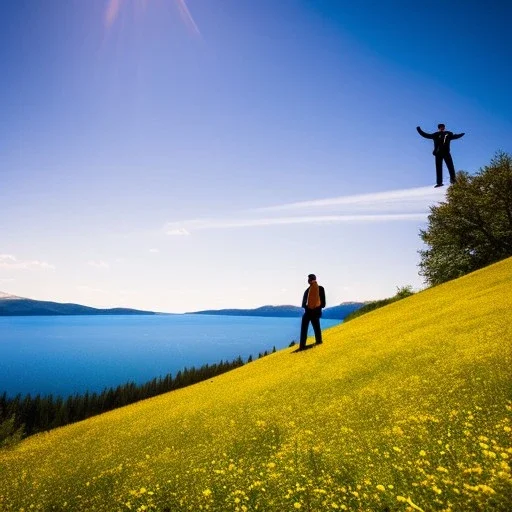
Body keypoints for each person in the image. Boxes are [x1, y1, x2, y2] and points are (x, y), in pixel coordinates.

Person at [298, 274, 326, 351]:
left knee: (305, 329)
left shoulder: (308, 291)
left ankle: (302, 346)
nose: (309, 280)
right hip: (315, 312)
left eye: (309, 278)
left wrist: (310, 308)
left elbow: (303, 304)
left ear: (309, 280)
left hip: (309, 313)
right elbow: (323, 304)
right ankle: (318, 341)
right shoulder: (320, 288)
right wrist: (316, 307)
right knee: (316, 328)